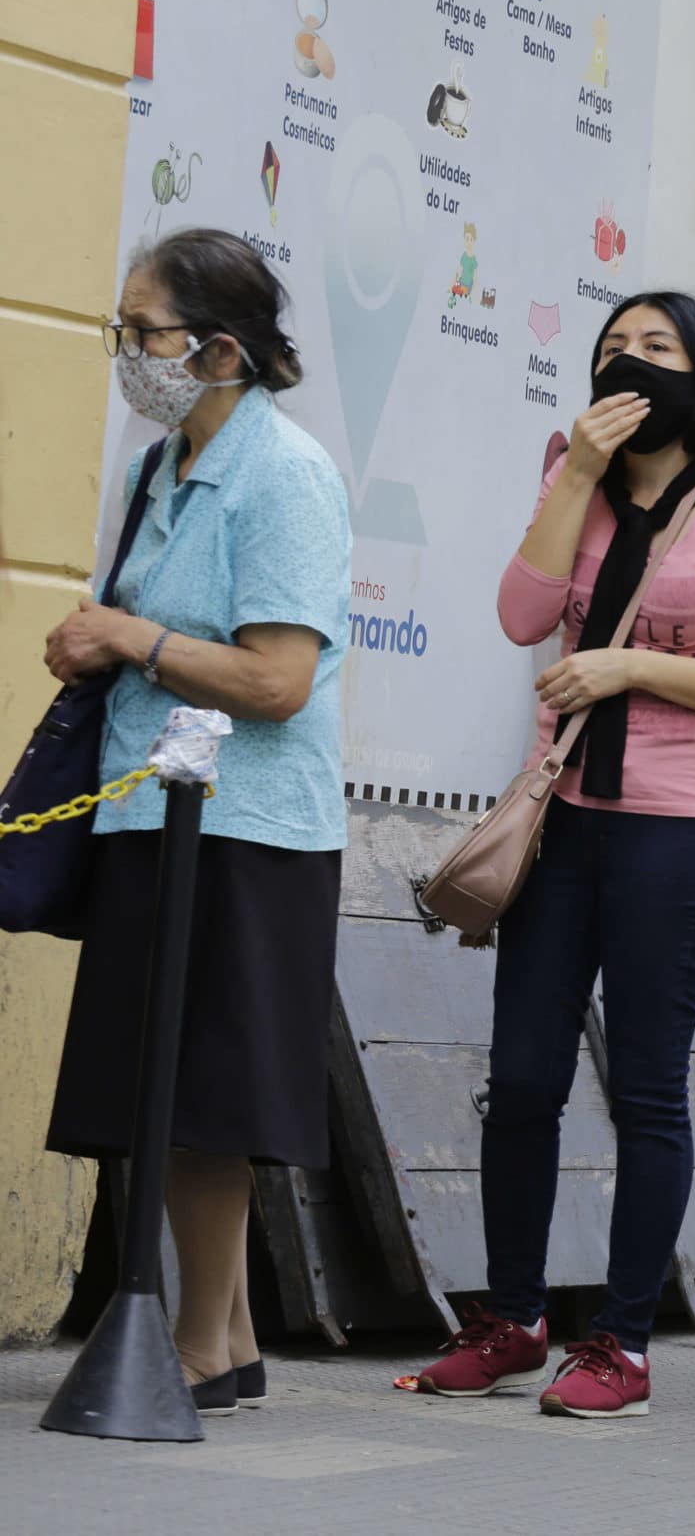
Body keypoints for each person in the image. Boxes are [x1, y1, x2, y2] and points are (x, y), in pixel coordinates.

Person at [409, 293, 695, 1418]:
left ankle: (623, 1345)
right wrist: (575, 476)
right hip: (562, 823)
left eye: (655, 348)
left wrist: (631, 668)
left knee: (646, 1090)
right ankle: (513, 1321)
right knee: (523, 1081)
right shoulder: (574, 477)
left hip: (672, 832)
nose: (623, 362)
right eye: (611, 346)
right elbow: (519, 613)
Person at [44, 229, 351, 1416]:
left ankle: (205, 1343)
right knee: (161, 1091)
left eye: (147, 332)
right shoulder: (156, 466)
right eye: (122, 330)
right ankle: (220, 1339)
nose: (132, 354)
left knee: (208, 1095)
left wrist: (131, 640)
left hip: (249, 827)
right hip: (149, 806)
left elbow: (278, 680)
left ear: (222, 349)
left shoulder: (285, 476)